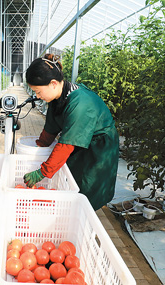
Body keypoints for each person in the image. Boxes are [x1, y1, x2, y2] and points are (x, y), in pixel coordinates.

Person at [23, 54, 119, 210]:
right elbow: (50, 128)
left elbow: (66, 145)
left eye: (38, 91)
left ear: (53, 83)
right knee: (73, 179)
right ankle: (73, 209)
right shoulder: (58, 98)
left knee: (89, 187)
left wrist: (42, 172)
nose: (37, 96)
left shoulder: (80, 104)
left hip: (98, 147)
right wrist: (38, 148)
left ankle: (86, 219)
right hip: (80, 141)